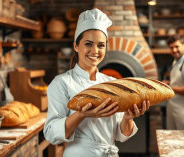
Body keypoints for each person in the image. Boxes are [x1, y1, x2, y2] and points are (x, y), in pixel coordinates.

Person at [43, 8, 150, 157]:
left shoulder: (112, 83)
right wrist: (82, 115)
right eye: (88, 44)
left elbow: (121, 134)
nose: (95, 51)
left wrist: (128, 117)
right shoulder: (61, 83)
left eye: (101, 45)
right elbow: (51, 133)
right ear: (76, 46)